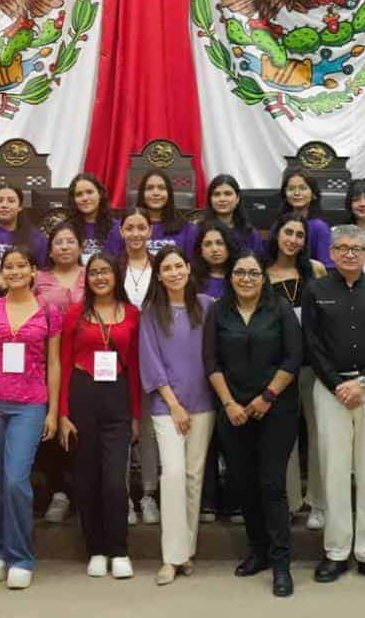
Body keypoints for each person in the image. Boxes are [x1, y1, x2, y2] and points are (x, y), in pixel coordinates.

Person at [303, 224, 365, 587]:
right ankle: (336, 551)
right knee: (334, 470)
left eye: (356, 249)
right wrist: (338, 385)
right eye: (341, 248)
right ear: (331, 254)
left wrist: (364, 382)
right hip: (330, 391)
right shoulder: (316, 291)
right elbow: (311, 345)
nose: (348, 254)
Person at [204, 253, 303, 598]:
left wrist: (267, 397)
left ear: (264, 278)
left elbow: (293, 357)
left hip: (276, 409)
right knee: (244, 484)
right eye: (240, 273)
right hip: (233, 411)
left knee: (271, 484)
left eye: (253, 273)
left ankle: (281, 564)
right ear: (230, 277)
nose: (246, 278)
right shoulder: (218, 311)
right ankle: (258, 552)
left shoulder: (280, 309)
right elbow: (211, 361)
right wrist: (230, 404)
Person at [0, 246, 62, 590]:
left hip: (30, 404)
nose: (16, 271)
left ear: (34, 271)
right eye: (10, 266)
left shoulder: (49, 312)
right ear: (1, 274)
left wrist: (53, 410)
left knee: (15, 479)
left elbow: (54, 363)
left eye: (23, 265)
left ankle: (21, 556)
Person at [58, 253, 141, 579]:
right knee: (87, 478)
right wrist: (63, 412)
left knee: (114, 481)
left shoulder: (132, 314)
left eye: (106, 271)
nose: (100, 277)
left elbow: (134, 367)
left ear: (115, 275)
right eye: (94, 273)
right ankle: (95, 549)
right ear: (87, 279)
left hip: (118, 397)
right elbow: (63, 364)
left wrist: (135, 415)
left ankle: (119, 549)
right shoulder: (76, 313)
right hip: (82, 395)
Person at [138, 247, 215, 585]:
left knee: (193, 477)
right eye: (166, 268)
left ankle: (187, 551)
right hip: (167, 406)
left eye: (178, 266)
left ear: (188, 268)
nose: (173, 273)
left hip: (204, 402)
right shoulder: (152, 312)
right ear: (159, 275)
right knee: (171, 474)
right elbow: (151, 362)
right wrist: (173, 404)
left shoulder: (208, 306)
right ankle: (170, 558)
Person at [264, 213, 326, 528]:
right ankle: (288, 500)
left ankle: (318, 502)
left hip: (314, 366)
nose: (293, 239)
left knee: (318, 435)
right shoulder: (262, 275)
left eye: (299, 235)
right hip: (280, 368)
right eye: (288, 232)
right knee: (284, 436)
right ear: (277, 235)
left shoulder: (316, 270)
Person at [34, 221, 85, 524]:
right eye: (59, 242)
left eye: (70, 241)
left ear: (81, 247)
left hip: (84, 361)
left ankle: (81, 491)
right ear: (50, 250)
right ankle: (59, 492)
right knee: (52, 425)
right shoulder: (38, 278)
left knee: (81, 424)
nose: (65, 246)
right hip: (46, 361)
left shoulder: (92, 275)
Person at [191, 220, 238, 522]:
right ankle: (207, 500)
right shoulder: (192, 281)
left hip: (235, 366)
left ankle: (235, 500)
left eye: (219, 243)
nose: (214, 249)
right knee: (205, 436)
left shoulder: (240, 277)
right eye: (208, 244)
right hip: (199, 365)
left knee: (234, 436)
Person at [117, 208, 160, 524]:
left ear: (150, 232)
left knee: (147, 429)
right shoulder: (111, 267)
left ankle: (148, 494)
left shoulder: (161, 267)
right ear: (121, 232)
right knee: (120, 428)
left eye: (141, 227)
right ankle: (123, 499)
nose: (135, 233)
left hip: (153, 354)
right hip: (115, 358)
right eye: (129, 227)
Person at [201, 173, 266, 259]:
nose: (222, 199)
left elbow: (259, 264)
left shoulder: (250, 234)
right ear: (210, 199)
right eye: (216, 194)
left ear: (238, 198)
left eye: (228, 194)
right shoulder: (199, 231)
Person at [137, 170, 197, 259]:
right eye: (149, 188)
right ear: (142, 194)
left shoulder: (188, 229)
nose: (156, 193)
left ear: (169, 193)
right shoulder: (127, 227)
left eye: (161, 188)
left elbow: (191, 265)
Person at [65, 172, 123, 261]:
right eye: (79, 194)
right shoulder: (65, 230)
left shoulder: (118, 228)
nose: (85, 198)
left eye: (89, 192)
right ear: (73, 200)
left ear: (100, 194)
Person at [278, 169, 331, 265]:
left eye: (302, 188)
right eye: (291, 188)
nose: (297, 193)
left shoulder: (320, 228)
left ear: (313, 194)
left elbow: (327, 267)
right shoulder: (279, 223)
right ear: (285, 194)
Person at [0, 183, 49, 266]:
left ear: (20, 207)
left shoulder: (37, 238)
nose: (4, 205)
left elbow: (42, 271)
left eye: (11, 201)